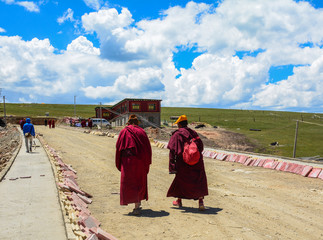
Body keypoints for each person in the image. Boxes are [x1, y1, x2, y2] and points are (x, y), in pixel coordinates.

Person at [166, 115, 208, 211]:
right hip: (197, 161)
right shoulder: (193, 132)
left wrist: (172, 166)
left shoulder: (177, 134)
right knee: (199, 180)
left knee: (181, 181)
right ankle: (201, 201)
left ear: (179, 124)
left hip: (183, 162)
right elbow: (200, 146)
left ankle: (179, 200)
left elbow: (172, 150)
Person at [115, 114, 152, 215]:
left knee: (129, 182)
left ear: (129, 123)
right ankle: (137, 204)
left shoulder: (124, 131)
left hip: (127, 161)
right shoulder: (142, 132)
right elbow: (148, 149)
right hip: (140, 160)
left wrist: (119, 162)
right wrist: (147, 162)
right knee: (139, 181)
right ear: (137, 123)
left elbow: (118, 148)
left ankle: (135, 203)